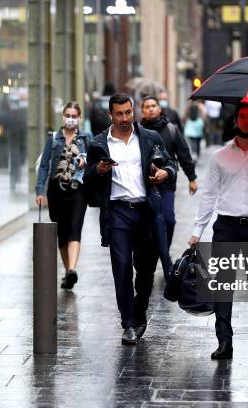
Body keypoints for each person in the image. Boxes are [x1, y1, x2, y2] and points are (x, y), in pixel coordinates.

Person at [188, 102, 248, 359]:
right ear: (235, 120)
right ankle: (224, 341)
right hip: (226, 227)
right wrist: (197, 231)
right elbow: (209, 195)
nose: (245, 121)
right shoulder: (220, 156)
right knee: (223, 285)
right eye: (241, 116)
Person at [84, 93, 177, 345]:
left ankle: (140, 310)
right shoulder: (98, 143)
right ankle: (128, 323)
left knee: (145, 271)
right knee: (122, 267)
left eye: (128, 112)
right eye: (119, 114)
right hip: (118, 212)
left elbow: (170, 164)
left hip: (146, 210)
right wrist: (98, 170)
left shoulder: (149, 137)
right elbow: (88, 179)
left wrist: (163, 174)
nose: (125, 118)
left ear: (133, 111)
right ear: (110, 115)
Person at [35, 102, 91, 290]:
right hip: (56, 190)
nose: (70, 118)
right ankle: (68, 271)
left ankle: (72, 269)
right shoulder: (53, 138)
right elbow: (44, 166)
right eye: (67, 115)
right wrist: (39, 191)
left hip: (78, 189)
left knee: (75, 228)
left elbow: (95, 160)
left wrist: (86, 161)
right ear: (62, 116)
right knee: (61, 232)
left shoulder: (86, 137)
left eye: (74, 115)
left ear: (79, 117)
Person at [140, 95, 198, 249]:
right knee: (147, 224)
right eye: (147, 107)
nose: (151, 109)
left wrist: (191, 178)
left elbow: (183, 153)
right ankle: (152, 253)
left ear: (159, 108)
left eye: (154, 105)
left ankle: (164, 249)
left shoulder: (171, 129)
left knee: (168, 220)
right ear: (142, 111)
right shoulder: (137, 131)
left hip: (166, 184)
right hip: (143, 185)